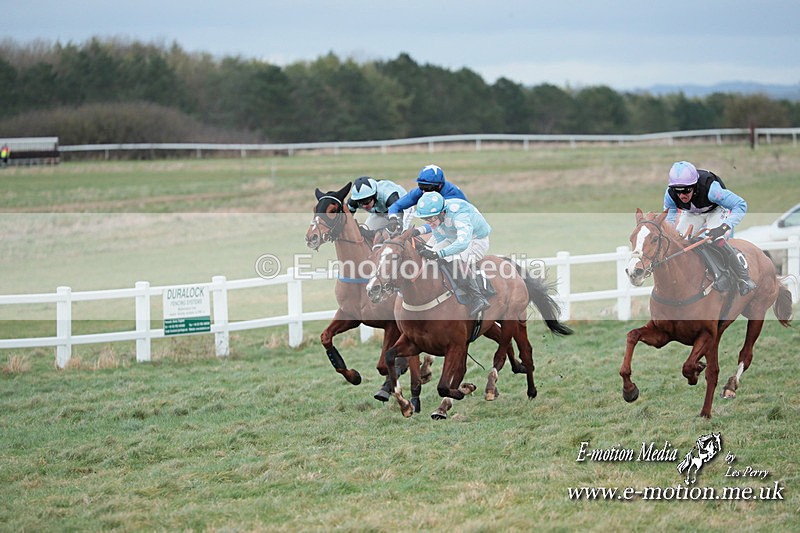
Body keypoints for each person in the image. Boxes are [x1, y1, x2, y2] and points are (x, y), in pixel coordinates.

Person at [664, 160, 756, 295]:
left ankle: (743, 277)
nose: (682, 195)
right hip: (692, 213)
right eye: (678, 191)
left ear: (694, 185)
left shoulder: (711, 189)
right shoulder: (670, 195)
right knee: (678, 241)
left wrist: (725, 227)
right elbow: (669, 220)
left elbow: (740, 205)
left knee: (714, 239)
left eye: (686, 190)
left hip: (715, 210)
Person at [415, 191, 492, 316]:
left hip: (475, 240)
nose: (428, 222)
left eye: (431, 218)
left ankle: (478, 298)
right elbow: (440, 241)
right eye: (425, 219)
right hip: (454, 238)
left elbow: (463, 244)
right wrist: (432, 253)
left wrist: (439, 254)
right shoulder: (437, 219)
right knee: (428, 255)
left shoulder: (459, 213)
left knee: (456, 259)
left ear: (442, 212)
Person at [386, 164, 468, 234]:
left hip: (461, 227)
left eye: (428, 188)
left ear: (439, 185)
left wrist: (419, 230)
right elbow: (397, 205)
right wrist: (392, 218)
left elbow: (439, 222)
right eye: (421, 186)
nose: (424, 191)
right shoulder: (423, 190)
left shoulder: (451, 196)